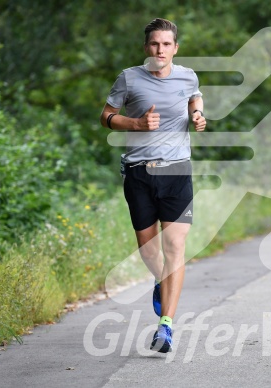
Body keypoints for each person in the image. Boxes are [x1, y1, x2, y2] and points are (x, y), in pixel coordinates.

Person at [99, 18, 206, 353]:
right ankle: (162, 281)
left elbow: (195, 98)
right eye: (155, 44)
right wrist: (135, 123)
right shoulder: (129, 78)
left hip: (176, 172)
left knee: (174, 247)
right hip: (138, 173)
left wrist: (198, 115)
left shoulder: (188, 76)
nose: (160, 50)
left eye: (167, 44)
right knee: (149, 251)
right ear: (147, 47)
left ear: (175, 47)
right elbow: (105, 115)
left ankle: (166, 327)